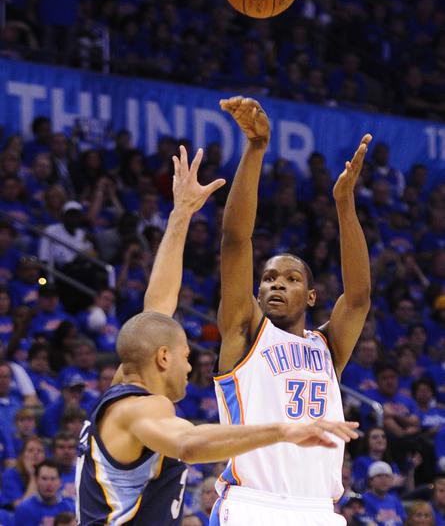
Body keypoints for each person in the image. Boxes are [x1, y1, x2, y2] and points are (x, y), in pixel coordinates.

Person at [76, 146, 359, 526]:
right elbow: (189, 445)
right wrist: (283, 430)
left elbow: (156, 307)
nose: (191, 366)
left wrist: (180, 215)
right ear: (163, 357)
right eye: (186, 356)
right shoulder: (140, 409)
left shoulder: (125, 383)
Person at [214, 96, 372, 525]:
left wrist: (344, 204)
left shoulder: (327, 347)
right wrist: (256, 149)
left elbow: (359, 297)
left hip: (318, 509)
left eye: (291, 278)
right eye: (268, 278)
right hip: (252, 505)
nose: (277, 284)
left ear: (312, 296)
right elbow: (235, 241)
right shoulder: (244, 332)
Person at [13, 459, 75, 526]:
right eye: (44, 478)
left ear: (60, 482)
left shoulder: (70, 508)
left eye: (53, 479)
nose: (49, 484)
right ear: (36, 480)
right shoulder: (24, 509)